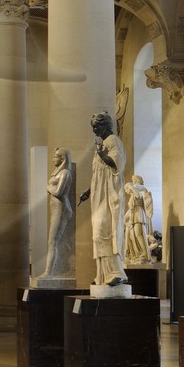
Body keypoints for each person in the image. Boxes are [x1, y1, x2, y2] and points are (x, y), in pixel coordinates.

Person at [79, 110, 128, 287]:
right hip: (99, 194)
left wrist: (101, 153)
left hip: (109, 196)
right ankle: (102, 275)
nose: (94, 130)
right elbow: (98, 174)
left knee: (106, 230)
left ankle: (116, 272)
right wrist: (89, 190)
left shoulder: (113, 141)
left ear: (105, 125)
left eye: (96, 126)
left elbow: (117, 165)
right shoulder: (102, 144)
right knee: (98, 232)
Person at [40, 148, 77, 280]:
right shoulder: (59, 173)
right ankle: (53, 271)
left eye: (56, 157)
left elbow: (59, 192)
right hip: (56, 208)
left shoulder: (65, 173)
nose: (53, 159)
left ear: (63, 159)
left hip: (61, 208)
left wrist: (48, 187)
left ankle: (49, 273)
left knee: (52, 241)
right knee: (53, 241)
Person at [123, 175, 154, 266]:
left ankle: (144, 253)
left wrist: (131, 187)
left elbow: (138, 195)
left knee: (138, 234)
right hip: (134, 214)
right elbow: (130, 209)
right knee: (133, 236)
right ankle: (137, 254)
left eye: (127, 190)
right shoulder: (133, 194)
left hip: (138, 213)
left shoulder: (138, 189)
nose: (127, 192)